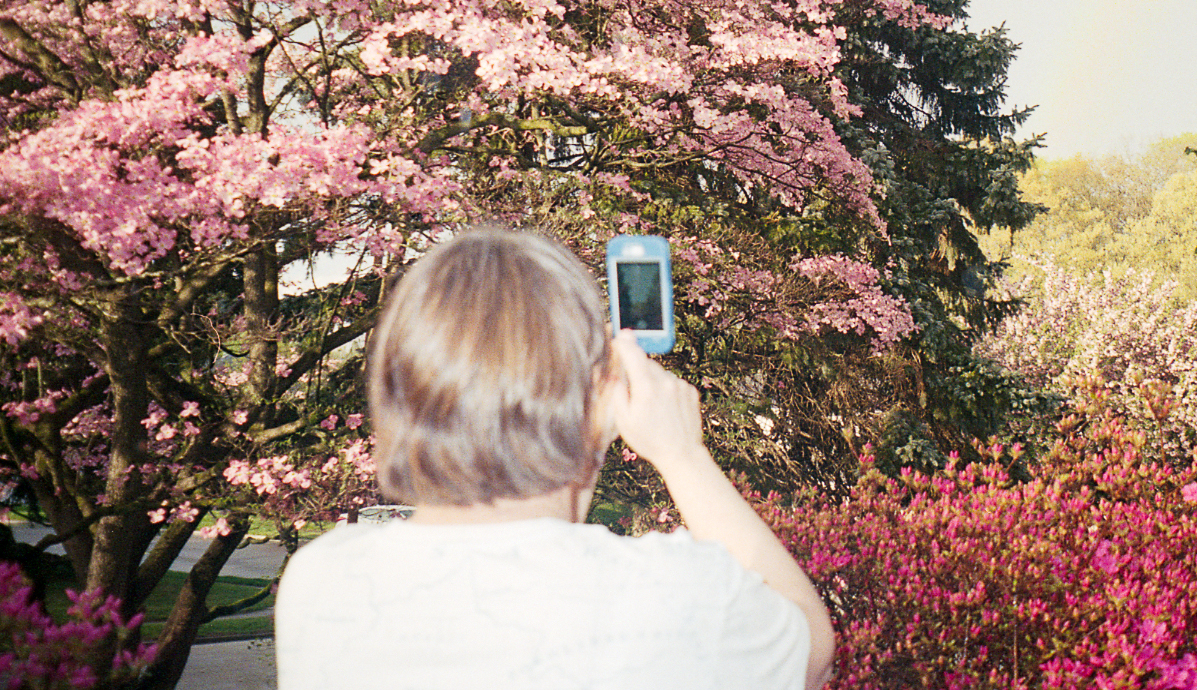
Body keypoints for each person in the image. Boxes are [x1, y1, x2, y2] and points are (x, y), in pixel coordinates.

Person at [275, 228, 835, 689]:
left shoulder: (319, 579)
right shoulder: (663, 598)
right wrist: (682, 455)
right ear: (591, 401)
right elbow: (811, 653)